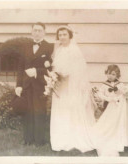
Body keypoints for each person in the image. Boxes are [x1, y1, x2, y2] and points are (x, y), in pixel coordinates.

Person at [50, 25, 96, 153]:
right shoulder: (58, 50)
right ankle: (61, 139)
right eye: (60, 35)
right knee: (61, 110)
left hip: (71, 86)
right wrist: (55, 76)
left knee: (71, 110)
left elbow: (80, 69)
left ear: (70, 36)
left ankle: (73, 138)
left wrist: (66, 74)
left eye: (64, 34)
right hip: (60, 86)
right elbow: (55, 67)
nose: (62, 37)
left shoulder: (74, 50)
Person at [15, 22, 54, 145]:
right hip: (26, 85)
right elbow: (20, 67)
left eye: (40, 30)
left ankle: (39, 141)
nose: (37, 33)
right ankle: (28, 139)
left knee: (39, 112)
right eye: (35, 30)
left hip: (41, 85)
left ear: (44, 32)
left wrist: (37, 71)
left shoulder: (50, 47)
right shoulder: (25, 46)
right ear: (31, 32)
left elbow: (52, 68)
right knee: (27, 112)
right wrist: (18, 85)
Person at [90, 65, 126, 156]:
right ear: (106, 74)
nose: (111, 76)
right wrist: (108, 98)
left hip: (118, 106)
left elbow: (122, 93)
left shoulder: (120, 84)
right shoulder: (104, 85)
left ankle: (117, 136)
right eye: (109, 74)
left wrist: (117, 95)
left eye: (113, 74)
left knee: (117, 121)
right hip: (108, 104)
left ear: (117, 75)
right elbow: (101, 94)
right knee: (107, 121)